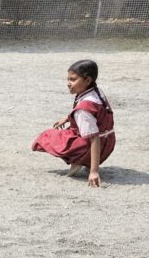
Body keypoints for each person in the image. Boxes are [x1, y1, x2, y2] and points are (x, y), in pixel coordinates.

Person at [31, 59, 114, 189]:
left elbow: (94, 137)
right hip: (109, 141)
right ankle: (84, 160)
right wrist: (67, 118)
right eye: (68, 79)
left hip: (94, 146)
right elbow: (96, 115)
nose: (69, 84)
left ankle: (80, 160)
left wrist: (94, 172)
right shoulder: (96, 92)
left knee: (47, 136)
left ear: (87, 80)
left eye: (73, 80)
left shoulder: (84, 109)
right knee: (70, 131)